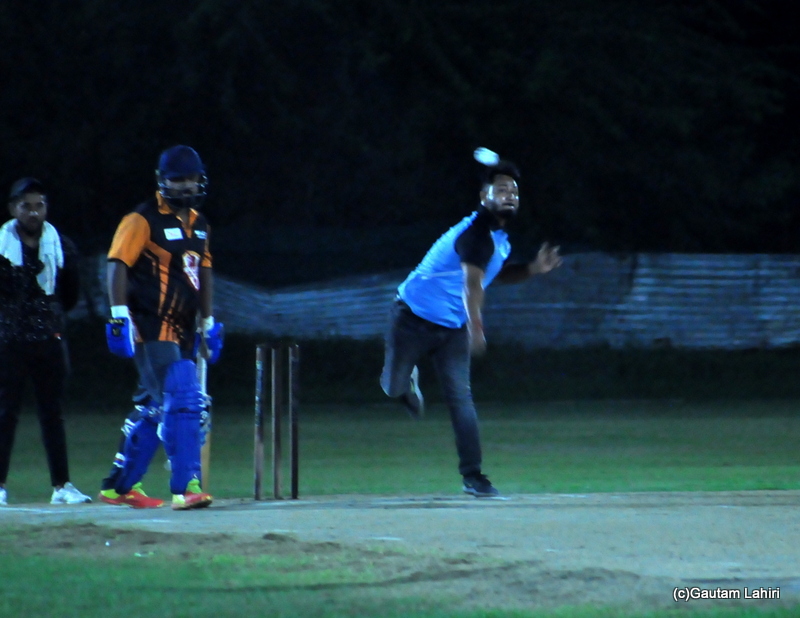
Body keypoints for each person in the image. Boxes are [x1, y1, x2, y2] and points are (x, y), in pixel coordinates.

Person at [380, 155, 562, 498]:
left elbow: (493, 277)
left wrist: (533, 269)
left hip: (451, 328)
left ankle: (473, 476)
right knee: (391, 386)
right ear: (484, 197)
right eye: (501, 189)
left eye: (514, 191)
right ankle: (406, 388)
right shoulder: (475, 234)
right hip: (412, 317)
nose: (509, 195)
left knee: (462, 399)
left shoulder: (500, 240)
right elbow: (472, 285)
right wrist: (476, 327)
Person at [98, 145, 223, 510]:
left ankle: (119, 486)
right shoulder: (142, 220)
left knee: (155, 406)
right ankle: (186, 486)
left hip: (184, 328)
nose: (186, 187)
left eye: (192, 179)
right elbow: (117, 264)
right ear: (162, 181)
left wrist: (208, 320)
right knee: (183, 395)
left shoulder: (200, 224)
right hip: (150, 324)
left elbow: (204, 272)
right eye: (178, 180)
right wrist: (119, 315)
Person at [0, 177, 92, 506]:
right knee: (5, 414)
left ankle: (62, 486)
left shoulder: (61, 245)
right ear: (13, 209)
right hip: (8, 341)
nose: (34, 212)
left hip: (49, 340)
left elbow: (68, 296)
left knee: (53, 415)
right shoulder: (1, 246)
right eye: (26, 205)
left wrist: (47, 319)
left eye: (40, 205)